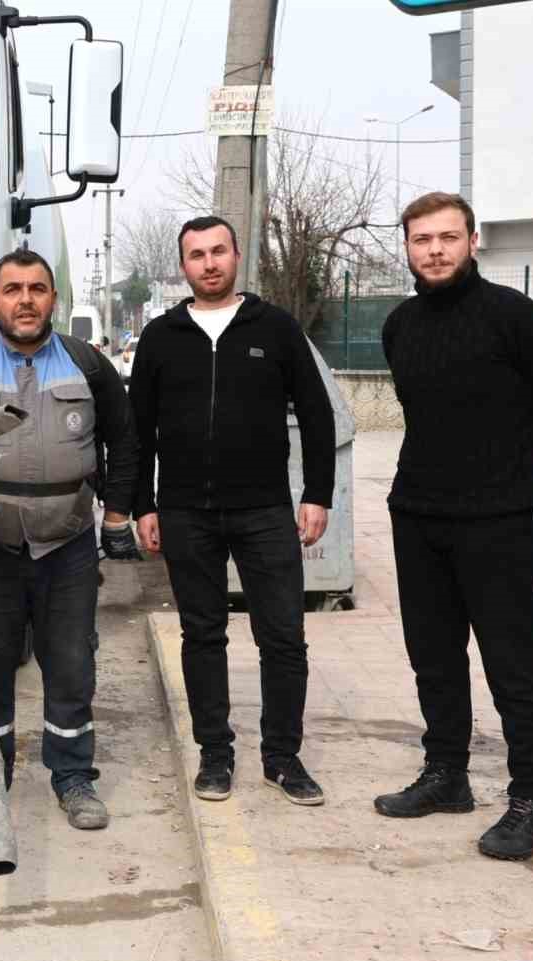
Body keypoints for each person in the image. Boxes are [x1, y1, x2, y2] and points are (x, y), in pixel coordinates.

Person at [373, 192, 533, 861]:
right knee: (433, 658)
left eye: (447, 237)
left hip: (496, 520)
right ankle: (447, 775)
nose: (434, 250)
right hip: (417, 514)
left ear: (472, 241)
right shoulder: (400, 324)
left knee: (513, 664)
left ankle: (532, 800)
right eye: (421, 239)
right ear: (407, 247)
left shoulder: (513, 315)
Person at [0, 248, 141, 830]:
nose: (25, 299)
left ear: (53, 299)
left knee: (70, 666)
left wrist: (116, 514)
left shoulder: (90, 365)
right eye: (12, 289)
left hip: (67, 545)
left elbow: (126, 444)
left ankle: (73, 779)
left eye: (37, 288)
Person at [131, 216, 335, 809]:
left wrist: (316, 493)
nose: (209, 262)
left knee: (284, 638)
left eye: (218, 250)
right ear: (184, 266)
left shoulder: (275, 328)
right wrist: (143, 504)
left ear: (236, 255)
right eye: (196, 254)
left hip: (265, 510)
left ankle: (283, 758)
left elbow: (317, 414)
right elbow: (137, 430)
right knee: (202, 635)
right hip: (186, 512)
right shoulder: (162, 336)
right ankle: (215, 755)